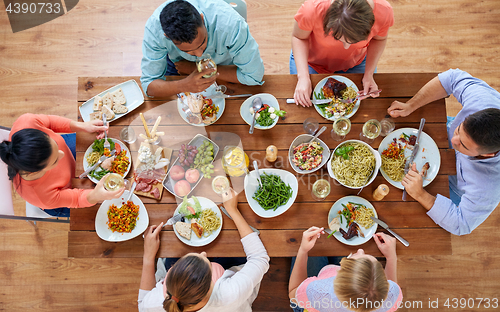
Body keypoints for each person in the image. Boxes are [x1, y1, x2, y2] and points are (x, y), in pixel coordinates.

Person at [387, 69, 500, 235]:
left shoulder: (489, 185)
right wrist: (411, 105)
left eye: (462, 145)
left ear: (487, 155)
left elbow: (461, 225)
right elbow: (451, 78)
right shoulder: (483, 100)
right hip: (437, 131)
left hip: (450, 186)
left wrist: (421, 195)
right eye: (458, 131)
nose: (454, 142)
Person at [138, 190, 270, 312]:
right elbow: (259, 258)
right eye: (207, 263)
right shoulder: (230, 294)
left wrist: (148, 257)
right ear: (210, 287)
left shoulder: (154, 305)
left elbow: (142, 303)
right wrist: (233, 210)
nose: (204, 253)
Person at [0, 113, 125, 216]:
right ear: (34, 172)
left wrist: (82, 126)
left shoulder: (26, 123)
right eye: (55, 161)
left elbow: (50, 121)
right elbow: (76, 199)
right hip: (60, 198)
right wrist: (96, 195)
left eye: (54, 142)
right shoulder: (41, 195)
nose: (62, 154)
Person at [141, 0, 265, 98]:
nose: (200, 55)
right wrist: (184, 85)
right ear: (167, 37)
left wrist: (193, 68)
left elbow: (254, 76)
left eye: (202, 43)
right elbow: (149, 86)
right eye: (188, 51)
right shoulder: (154, 30)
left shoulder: (230, 25)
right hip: (178, 63)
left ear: (201, 19)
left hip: (223, 64)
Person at [291, 0, 394, 107]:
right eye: (339, 39)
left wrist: (369, 75)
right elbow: (299, 37)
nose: (346, 48)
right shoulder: (312, 10)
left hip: (356, 62)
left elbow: (379, 39)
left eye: (353, 42)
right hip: (312, 63)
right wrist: (303, 77)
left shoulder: (384, 12)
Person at [289, 227, 402, 312]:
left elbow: (293, 294)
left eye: (357, 256)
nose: (361, 249)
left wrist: (303, 251)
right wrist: (391, 257)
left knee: (315, 248)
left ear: (339, 273)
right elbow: (391, 285)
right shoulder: (391, 297)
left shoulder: (317, 292)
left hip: (310, 305)